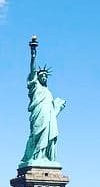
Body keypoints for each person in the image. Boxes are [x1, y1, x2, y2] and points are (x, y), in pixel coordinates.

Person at [20, 36, 66, 167]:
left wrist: (58, 107)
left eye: (46, 76)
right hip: (38, 115)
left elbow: (52, 110)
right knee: (36, 134)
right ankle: (36, 156)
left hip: (49, 117)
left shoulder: (49, 92)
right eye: (42, 75)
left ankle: (46, 157)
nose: (44, 77)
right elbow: (33, 70)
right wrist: (33, 54)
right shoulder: (35, 86)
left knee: (49, 136)